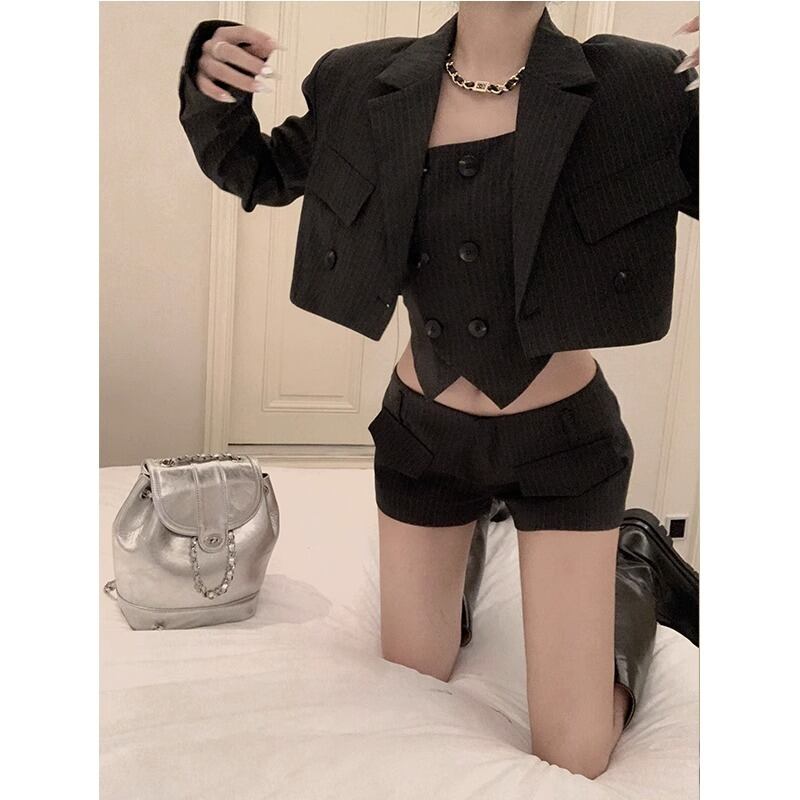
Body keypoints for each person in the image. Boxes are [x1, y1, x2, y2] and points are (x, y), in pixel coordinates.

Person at [177, 1, 700, 780]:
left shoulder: (639, 86)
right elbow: (255, 168)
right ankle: (473, 537)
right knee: (415, 678)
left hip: (564, 448)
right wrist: (211, 82)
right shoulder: (362, 81)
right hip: (423, 441)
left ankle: (634, 561)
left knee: (576, 753)